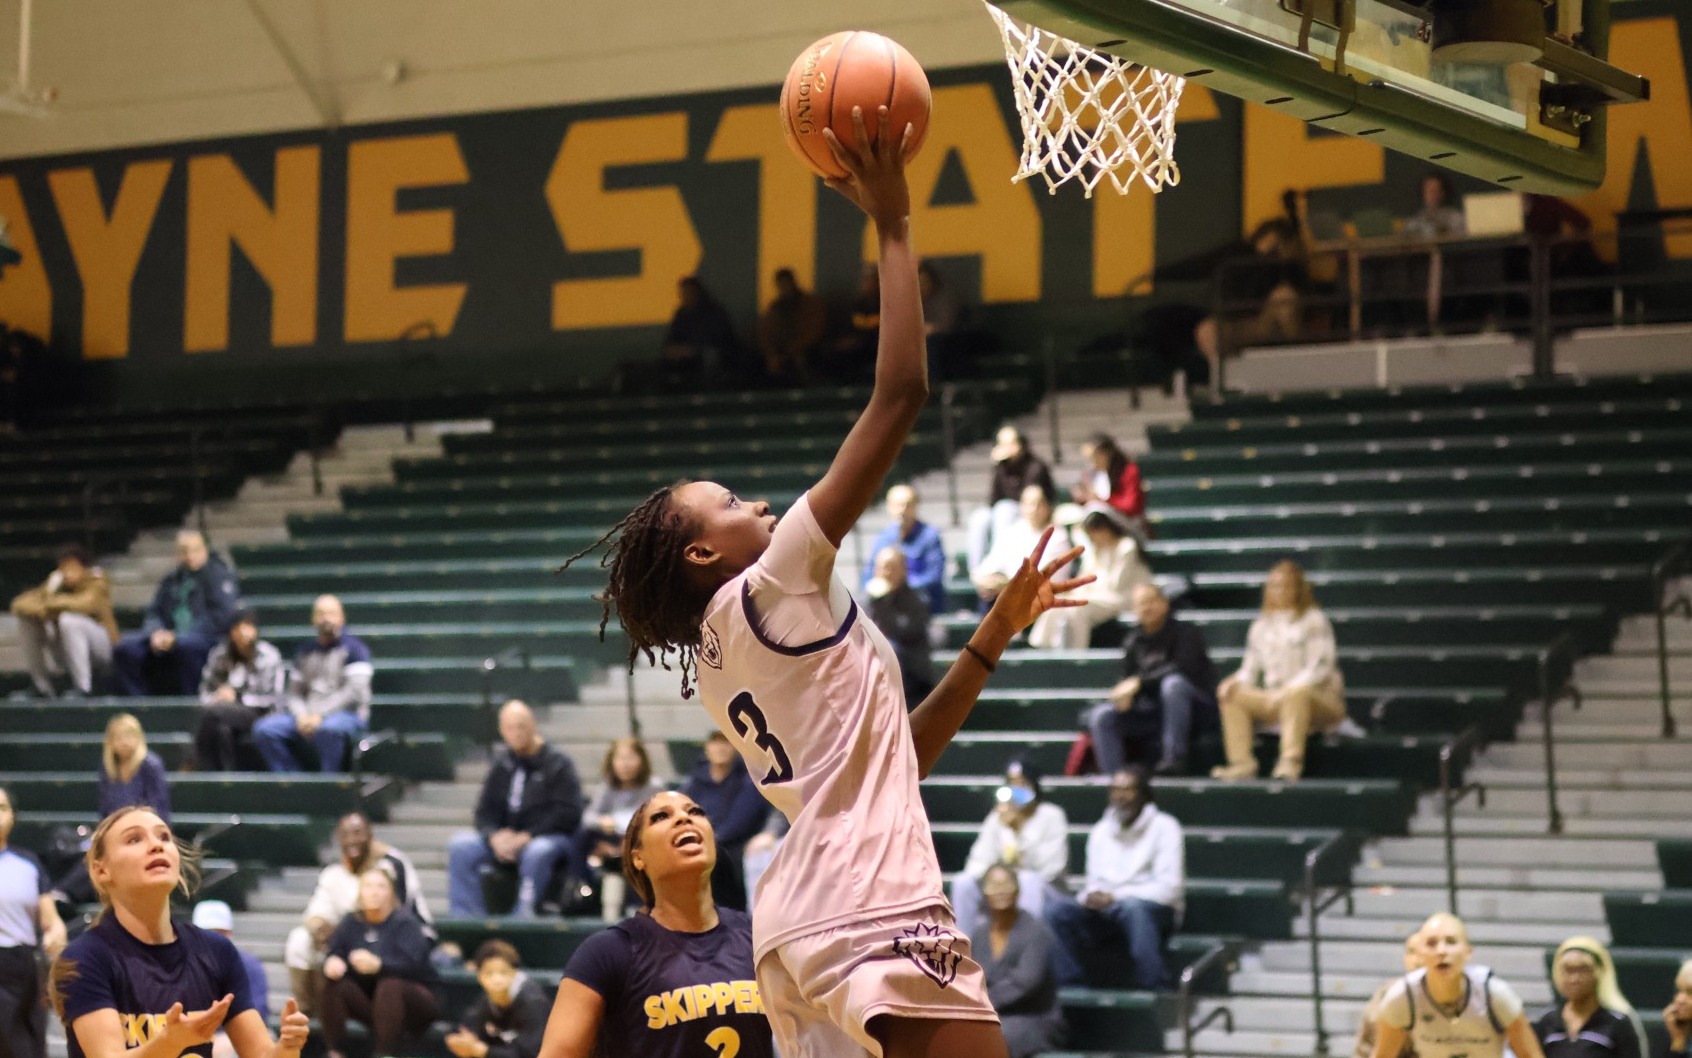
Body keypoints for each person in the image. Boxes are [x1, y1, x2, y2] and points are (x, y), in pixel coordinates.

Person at [561, 108, 1091, 1058]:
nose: (756, 500)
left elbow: (898, 761)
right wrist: (892, 225)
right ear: (700, 553)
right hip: (870, 898)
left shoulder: (726, 669)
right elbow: (900, 396)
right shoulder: (771, 583)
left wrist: (990, 639)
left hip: (796, 924)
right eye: (728, 499)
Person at [49, 805, 310, 1058]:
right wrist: (170, 1042)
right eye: (134, 839)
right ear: (100, 870)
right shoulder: (86, 958)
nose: (156, 845)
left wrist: (287, 1048)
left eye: (164, 836)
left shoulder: (217, 952)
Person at [538, 790, 775, 1058]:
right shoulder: (607, 952)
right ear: (638, 857)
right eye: (661, 816)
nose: (684, 819)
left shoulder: (758, 936)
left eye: (695, 812)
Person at [1044, 767, 1183, 991]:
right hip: (1107, 912)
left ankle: (1157, 989)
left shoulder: (1165, 827)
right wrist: (1091, 896)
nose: (1120, 796)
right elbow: (1094, 881)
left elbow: (1169, 888)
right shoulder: (1100, 831)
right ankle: (1070, 986)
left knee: (1133, 908)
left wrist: (1117, 896)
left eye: (1127, 790)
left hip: (1153, 910)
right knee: (1055, 911)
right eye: (1115, 790)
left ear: (1143, 794)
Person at [447, 701, 584, 919]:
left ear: (533, 725)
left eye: (521, 726)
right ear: (502, 731)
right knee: (461, 846)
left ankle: (523, 916)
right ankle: (467, 917)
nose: (516, 733)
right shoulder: (501, 765)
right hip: (505, 838)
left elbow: (568, 813)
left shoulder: (558, 764)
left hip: (548, 838)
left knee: (537, 852)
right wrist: (494, 836)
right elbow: (484, 811)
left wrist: (527, 836)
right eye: (510, 728)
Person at [283, 811, 429, 1016]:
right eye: (345, 835)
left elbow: (402, 916)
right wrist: (321, 932)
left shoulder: (388, 867)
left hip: (384, 941)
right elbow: (315, 915)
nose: (352, 840)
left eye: (358, 833)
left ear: (371, 836)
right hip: (343, 941)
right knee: (298, 941)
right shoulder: (333, 874)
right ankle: (308, 1009)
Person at [1213, 560, 1344, 782]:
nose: (1280, 591)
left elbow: (1321, 666)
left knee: (1296, 694)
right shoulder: (1261, 625)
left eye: (1286, 586)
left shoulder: (1314, 620)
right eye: (1274, 586)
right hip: (1278, 697)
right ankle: (1242, 764)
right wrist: (1233, 681)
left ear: (1298, 589)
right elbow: (1249, 670)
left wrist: (1291, 689)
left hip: (1317, 698)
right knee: (1232, 694)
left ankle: (1289, 763)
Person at [1084, 583, 1220, 776]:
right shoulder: (1133, 640)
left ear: (1165, 603)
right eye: (1141, 604)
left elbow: (1182, 669)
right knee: (1102, 716)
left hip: (1194, 709)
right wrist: (1124, 696)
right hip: (1152, 711)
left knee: (1173, 685)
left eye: (1151, 601)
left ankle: (1173, 759)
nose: (1147, 608)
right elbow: (1127, 679)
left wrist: (1140, 683)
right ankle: (1115, 779)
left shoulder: (1186, 632)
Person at [1371, 912, 1546, 1058]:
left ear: (1468, 952)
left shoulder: (1495, 993)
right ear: (1420, 954)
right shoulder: (1402, 997)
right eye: (1432, 943)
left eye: (1451, 942)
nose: (1441, 951)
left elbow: (1531, 1055)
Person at [319, 869, 438, 1058]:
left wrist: (380, 965)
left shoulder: (406, 923)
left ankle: (384, 1053)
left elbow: (414, 965)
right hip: (375, 1006)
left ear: (391, 893)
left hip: (415, 1003)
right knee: (335, 984)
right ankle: (335, 1051)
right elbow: (336, 951)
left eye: (381, 887)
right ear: (360, 893)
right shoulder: (351, 922)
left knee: (389, 984)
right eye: (368, 886)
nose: (374, 892)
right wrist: (333, 961)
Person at [950, 760, 1068, 944]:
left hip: (1047, 890)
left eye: (1022, 783)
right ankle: (962, 951)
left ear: (1034, 786)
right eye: (1011, 783)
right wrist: (996, 881)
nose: (1016, 789)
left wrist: (1018, 832)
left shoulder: (1051, 815)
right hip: (1004, 886)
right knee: (963, 883)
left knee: (1028, 880)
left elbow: (1050, 869)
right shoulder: (997, 817)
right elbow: (977, 862)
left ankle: (1025, 948)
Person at [112, 531, 242, 696]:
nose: (190, 556)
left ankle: (188, 703)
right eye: (184, 551)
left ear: (205, 550)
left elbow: (221, 616)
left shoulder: (219, 576)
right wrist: (156, 632)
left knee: (185, 646)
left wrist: (178, 637)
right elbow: (155, 612)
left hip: (205, 639)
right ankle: (140, 705)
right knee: (124, 648)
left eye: (195, 550)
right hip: (169, 637)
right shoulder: (172, 579)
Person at [252, 596, 372, 774]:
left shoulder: (356, 650)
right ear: (313, 619)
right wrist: (301, 716)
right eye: (321, 614)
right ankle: (293, 781)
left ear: (341, 618)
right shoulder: (304, 651)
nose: (326, 618)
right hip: (306, 716)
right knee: (265, 730)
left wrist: (320, 716)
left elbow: (354, 694)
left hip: (346, 716)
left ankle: (328, 784)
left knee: (329, 729)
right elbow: (294, 693)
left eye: (331, 613)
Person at [0, 785, 68, 1058]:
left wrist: (56, 937)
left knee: (27, 1044)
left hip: (21, 966)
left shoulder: (30, 864)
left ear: (13, 816)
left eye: (2, 808)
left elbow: (51, 921)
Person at [970, 865, 1064, 1058]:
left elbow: (1025, 984)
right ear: (983, 893)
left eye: (1006, 884)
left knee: (996, 1035)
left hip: (1032, 1018)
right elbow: (972, 980)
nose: (1000, 890)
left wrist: (982, 1006)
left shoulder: (1036, 932)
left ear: (1018, 890)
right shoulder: (979, 935)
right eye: (994, 885)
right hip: (990, 1015)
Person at [570, 737, 664, 923]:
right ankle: (579, 887)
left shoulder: (653, 787)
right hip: (611, 840)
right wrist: (602, 821)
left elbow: (660, 820)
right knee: (582, 835)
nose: (625, 765)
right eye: (620, 759)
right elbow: (588, 817)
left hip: (641, 845)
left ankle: (636, 904)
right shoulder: (607, 787)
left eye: (630, 758)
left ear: (641, 760)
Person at [1028, 508, 1151, 650]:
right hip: (1097, 597)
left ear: (1105, 530)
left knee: (1078, 608)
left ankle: (1076, 656)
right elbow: (1085, 579)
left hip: (1121, 597)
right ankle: (1042, 648)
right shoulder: (1095, 550)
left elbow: (1115, 583)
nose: (1092, 539)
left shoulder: (1126, 547)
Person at [9, 543, 118, 698]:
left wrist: (49, 604)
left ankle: (83, 688)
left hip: (103, 650)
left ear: (82, 566)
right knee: (27, 621)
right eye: (63, 568)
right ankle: (42, 687)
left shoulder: (96, 579)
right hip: (67, 651)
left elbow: (85, 604)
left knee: (68, 621)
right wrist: (49, 593)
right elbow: (19, 604)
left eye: (71, 567)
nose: (67, 573)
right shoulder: (56, 584)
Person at [681, 732, 770, 914]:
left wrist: (709, 838)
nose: (720, 749)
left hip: (736, 845)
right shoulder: (695, 781)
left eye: (726, 743)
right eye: (715, 743)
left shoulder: (749, 780)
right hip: (702, 841)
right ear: (706, 748)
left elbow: (741, 820)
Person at [195, 612, 287, 772]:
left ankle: (194, 761)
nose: (244, 632)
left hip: (260, 713)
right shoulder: (219, 655)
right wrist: (217, 697)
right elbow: (204, 691)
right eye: (238, 627)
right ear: (232, 632)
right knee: (221, 729)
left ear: (255, 630)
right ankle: (226, 778)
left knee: (214, 713)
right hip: (222, 712)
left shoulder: (269, 655)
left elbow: (272, 698)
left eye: (248, 626)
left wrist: (237, 697)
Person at [1533, 937, 1643, 1058]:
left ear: (1599, 973)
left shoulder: (1617, 1024)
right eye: (1568, 970)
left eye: (1583, 970)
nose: (1574, 979)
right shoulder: (1547, 1022)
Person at [967, 426, 1057, 574]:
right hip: (1003, 511)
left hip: (1029, 512)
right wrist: (998, 467)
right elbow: (993, 499)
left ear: (1020, 444)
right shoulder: (1001, 466)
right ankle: (977, 572)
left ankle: (1000, 566)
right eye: (1001, 444)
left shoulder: (1035, 466)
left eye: (1010, 443)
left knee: (1004, 510)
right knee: (980, 517)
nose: (1005, 448)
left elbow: (1029, 498)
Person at [445, 941, 550, 1058]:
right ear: (479, 976)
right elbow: (466, 1026)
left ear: (514, 973)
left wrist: (483, 1051)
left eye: (503, 972)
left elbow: (531, 1054)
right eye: (489, 973)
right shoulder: (486, 1001)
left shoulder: (533, 1003)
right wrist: (460, 1041)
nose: (496, 979)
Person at [865, 547, 937, 705]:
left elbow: (905, 631)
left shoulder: (916, 601)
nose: (886, 573)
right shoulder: (867, 601)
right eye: (882, 568)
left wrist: (882, 605)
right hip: (876, 681)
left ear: (903, 570)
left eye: (891, 568)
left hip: (912, 681)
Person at [862, 484, 948, 616]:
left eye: (907, 505)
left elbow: (933, 575)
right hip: (887, 601)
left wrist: (900, 586)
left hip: (920, 602)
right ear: (888, 507)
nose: (902, 510)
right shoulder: (884, 537)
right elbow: (870, 572)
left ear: (916, 507)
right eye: (897, 505)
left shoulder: (930, 536)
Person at [972, 485, 1062, 609]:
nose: (1034, 509)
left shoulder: (1057, 536)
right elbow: (990, 564)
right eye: (1029, 504)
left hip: (1041, 597)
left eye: (1038, 504)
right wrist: (985, 578)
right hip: (1010, 591)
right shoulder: (1012, 532)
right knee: (988, 595)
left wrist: (1005, 584)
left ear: (1047, 507)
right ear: (1022, 507)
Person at [1352, 931, 1425, 1058]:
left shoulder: (1455, 997)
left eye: (1423, 952)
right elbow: (1364, 1047)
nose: (1417, 960)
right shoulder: (1387, 994)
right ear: (1405, 958)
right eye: (1411, 952)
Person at [659, 276, 740, 389]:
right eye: (683, 293)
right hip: (687, 359)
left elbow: (720, 340)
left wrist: (693, 349)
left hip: (711, 356)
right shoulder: (681, 314)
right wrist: (673, 350)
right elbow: (671, 339)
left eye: (688, 292)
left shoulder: (714, 312)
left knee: (710, 356)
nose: (685, 296)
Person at [757, 268, 827, 386]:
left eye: (786, 283)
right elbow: (766, 334)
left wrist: (789, 352)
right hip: (780, 354)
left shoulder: (811, 305)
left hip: (805, 351)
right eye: (781, 285)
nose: (784, 288)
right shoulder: (775, 309)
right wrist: (772, 354)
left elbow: (813, 333)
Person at [98, 714, 171, 822]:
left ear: (138, 737)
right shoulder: (107, 768)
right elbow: (104, 810)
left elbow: (159, 810)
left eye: (129, 736)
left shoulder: (150, 765)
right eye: (118, 737)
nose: (124, 742)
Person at [1068, 434, 1145, 532]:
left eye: (1094, 458)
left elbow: (1130, 506)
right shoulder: (1093, 474)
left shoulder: (1128, 471)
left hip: (1126, 524)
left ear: (1106, 454)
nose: (1092, 463)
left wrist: (1102, 500)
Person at [819, 262, 880, 383]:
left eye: (869, 279)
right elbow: (851, 325)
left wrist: (859, 341)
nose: (865, 284)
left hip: (874, 346)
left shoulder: (885, 303)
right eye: (864, 279)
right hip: (856, 345)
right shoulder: (858, 304)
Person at [1403, 172, 1467, 239]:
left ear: (1443, 193)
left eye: (1435, 190)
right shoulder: (1415, 220)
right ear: (1423, 193)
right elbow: (1405, 239)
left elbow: (1462, 238)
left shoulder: (1455, 217)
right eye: (1429, 191)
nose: (1432, 195)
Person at [1664, 959, 1692, 1058]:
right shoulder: (1671, 1031)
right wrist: (1678, 1042)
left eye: (1690, 992)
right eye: (1678, 990)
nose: (1680, 999)